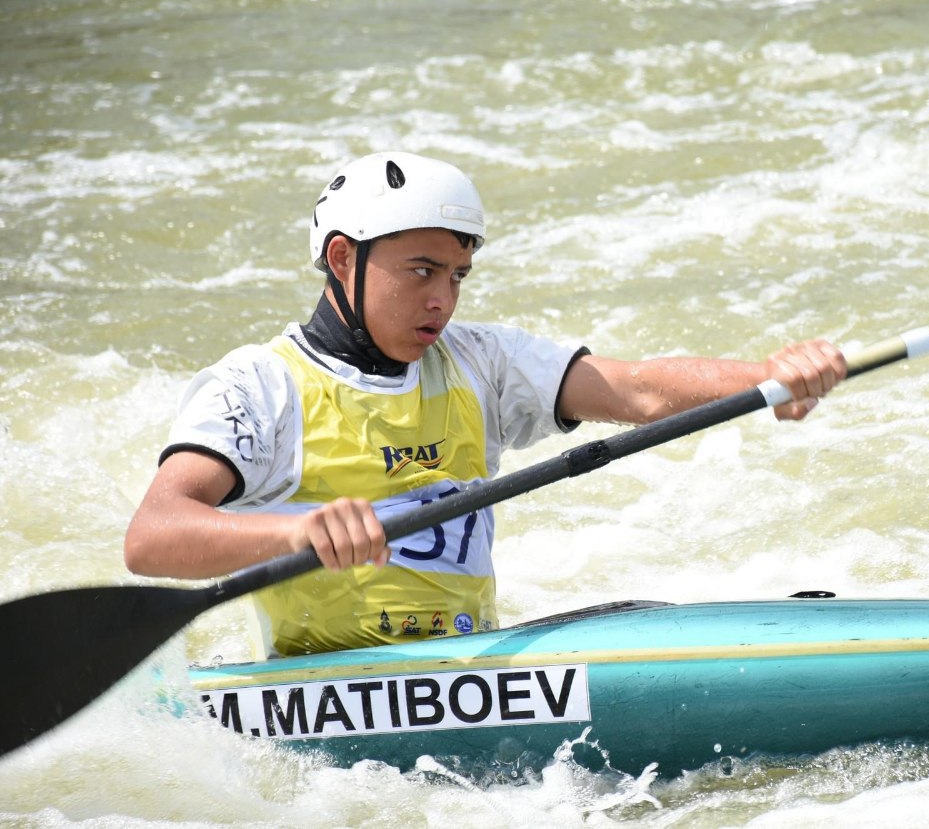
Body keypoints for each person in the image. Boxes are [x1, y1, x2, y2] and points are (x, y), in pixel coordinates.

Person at [124, 151, 847, 659]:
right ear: (343, 258)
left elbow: (636, 388)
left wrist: (769, 378)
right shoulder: (259, 386)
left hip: (469, 671)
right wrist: (295, 532)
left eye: (458, 275)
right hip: (320, 688)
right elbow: (152, 536)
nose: (442, 299)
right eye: (421, 270)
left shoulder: (480, 361)